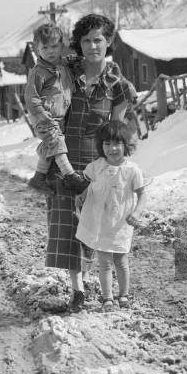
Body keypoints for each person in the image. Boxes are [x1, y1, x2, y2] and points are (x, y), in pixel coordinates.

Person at [44, 13, 136, 312]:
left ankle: (109, 289)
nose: (92, 46)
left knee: (95, 226)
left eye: (98, 39)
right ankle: (78, 290)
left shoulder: (118, 86)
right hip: (64, 158)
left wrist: (112, 171)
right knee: (68, 226)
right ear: (78, 44)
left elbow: (114, 133)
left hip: (96, 164)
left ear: (109, 42)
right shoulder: (65, 74)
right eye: (86, 40)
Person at [75, 121, 147, 311]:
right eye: (107, 144)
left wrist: (137, 213)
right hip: (101, 222)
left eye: (117, 143)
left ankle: (123, 294)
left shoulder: (132, 170)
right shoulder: (96, 166)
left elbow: (142, 194)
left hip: (121, 223)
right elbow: (86, 185)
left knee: (121, 260)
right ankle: (107, 298)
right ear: (101, 146)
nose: (112, 148)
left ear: (126, 145)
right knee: (105, 262)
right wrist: (81, 196)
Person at [25, 23, 83, 194]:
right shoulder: (38, 72)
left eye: (54, 46)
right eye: (45, 47)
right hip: (44, 117)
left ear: (61, 46)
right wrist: (42, 115)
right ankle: (70, 175)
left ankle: (38, 178)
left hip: (58, 117)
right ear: (36, 49)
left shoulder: (63, 66)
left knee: (51, 144)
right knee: (57, 142)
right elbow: (31, 97)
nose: (50, 51)